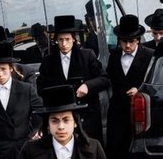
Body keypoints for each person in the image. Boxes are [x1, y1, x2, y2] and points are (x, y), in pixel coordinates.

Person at [105, 15, 153, 159]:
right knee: (115, 157)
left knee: (141, 157)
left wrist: (140, 89)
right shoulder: (114, 57)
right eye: (123, 41)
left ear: (138, 40)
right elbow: (109, 80)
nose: (127, 46)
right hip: (117, 114)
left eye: (130, 42)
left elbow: (154, 82)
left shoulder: (149, 55)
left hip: (140, 114)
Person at [36, 15, 109, 146]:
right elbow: (40, 87)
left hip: (87, 118)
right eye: (60, 40)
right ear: (56, 40)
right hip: (61, 120)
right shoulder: (48, 61)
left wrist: (88, 86)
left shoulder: (87, 56)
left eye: (67, 39)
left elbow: (104, 79)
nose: (64, 44)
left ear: (74, 39)